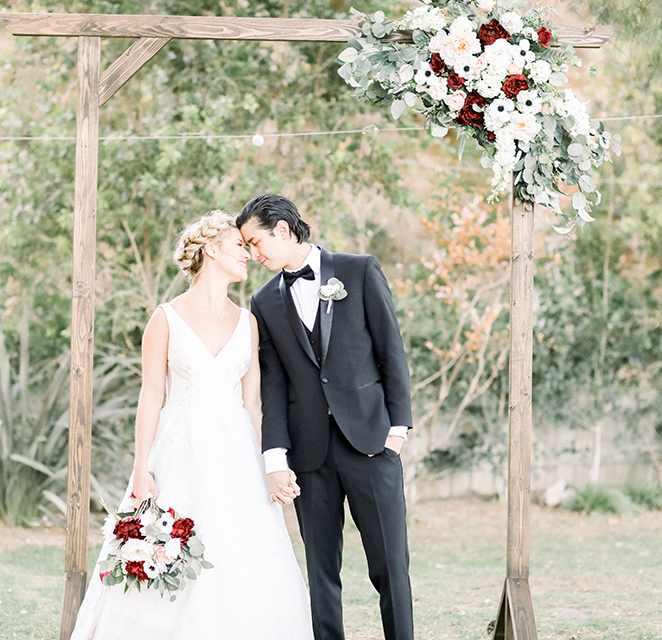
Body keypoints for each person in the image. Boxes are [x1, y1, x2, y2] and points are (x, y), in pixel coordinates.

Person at [70, 211, 313, 640]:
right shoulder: (165, 318)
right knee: (170, 551)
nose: (249, 255)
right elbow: (152, 395)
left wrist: (274, 463)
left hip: (238, 456)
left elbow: (253, 405)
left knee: (242, 559)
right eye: (241, 246)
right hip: (179, 452)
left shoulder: (249, 322)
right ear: (212, 250)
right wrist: (142, 467)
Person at [237, 195, 414, 640]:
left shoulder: (359, 270)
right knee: (321, 573)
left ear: (282, 229)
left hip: (372, 443)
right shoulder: (263, 302)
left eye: (255, 243)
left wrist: (397, 430)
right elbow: (273, 384)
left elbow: (390, 350)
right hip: (309, 454)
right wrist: (276, 457)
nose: (253, 254)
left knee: (390, 567)